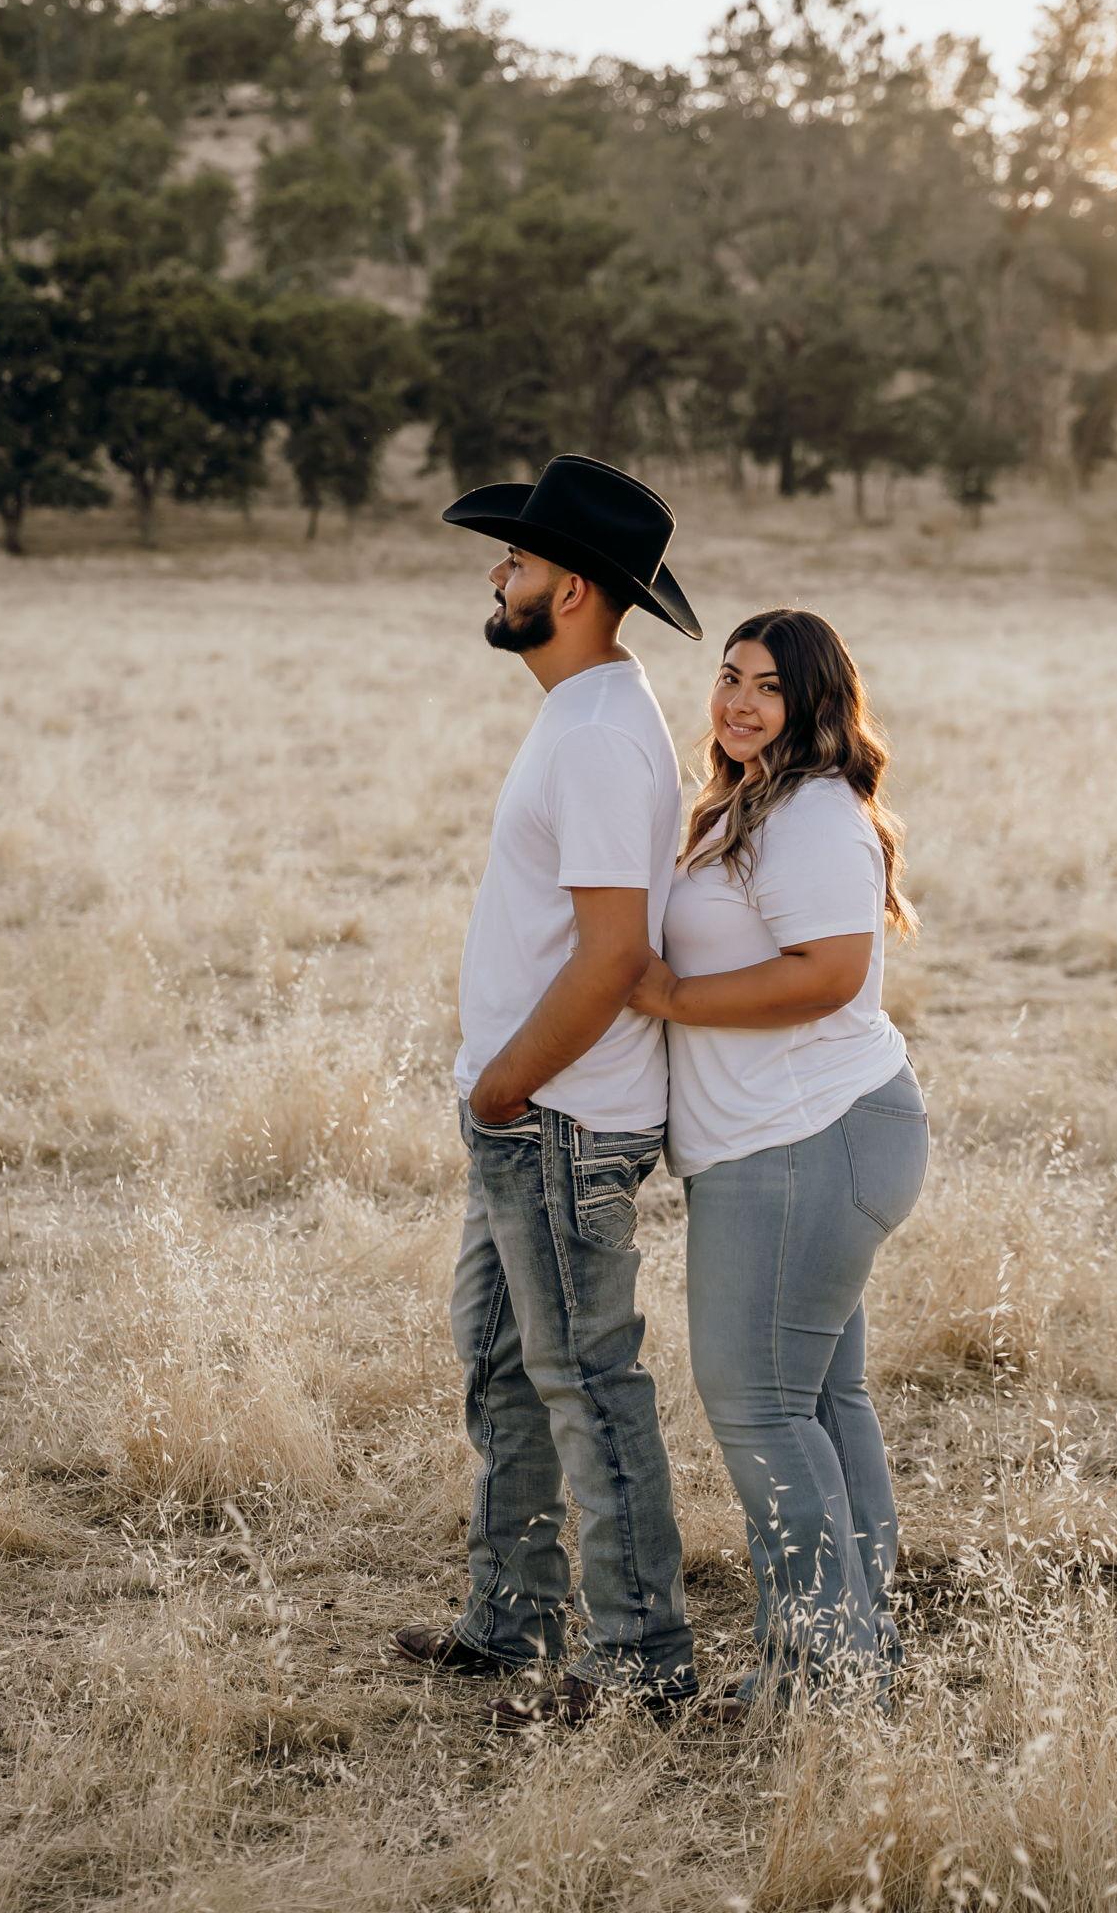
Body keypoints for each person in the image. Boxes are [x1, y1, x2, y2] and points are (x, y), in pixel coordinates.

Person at [391, 454, 704, 1730]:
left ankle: (643, 1659)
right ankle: (509, 1617)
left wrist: (505, 1087)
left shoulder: (597, 736)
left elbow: (612, 955)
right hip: (530, 1114)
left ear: (568, 588)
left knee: (583, 1381)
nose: (496, 573)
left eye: (515, 559)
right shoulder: (584, 710)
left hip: (559, 1118)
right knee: (503, 1372)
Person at [629, 607, 928, 1710]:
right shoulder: (747, 801)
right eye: (729, 677)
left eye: (768, 686)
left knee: (758, 1403)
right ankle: (854, 1650)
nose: (740, 702)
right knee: (821, 1401)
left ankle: (821, 1670)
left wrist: (669, 995)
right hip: (790, 1140)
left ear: (814, 703)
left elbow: (827, 973)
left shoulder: (809, 811)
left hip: (806, 1138)